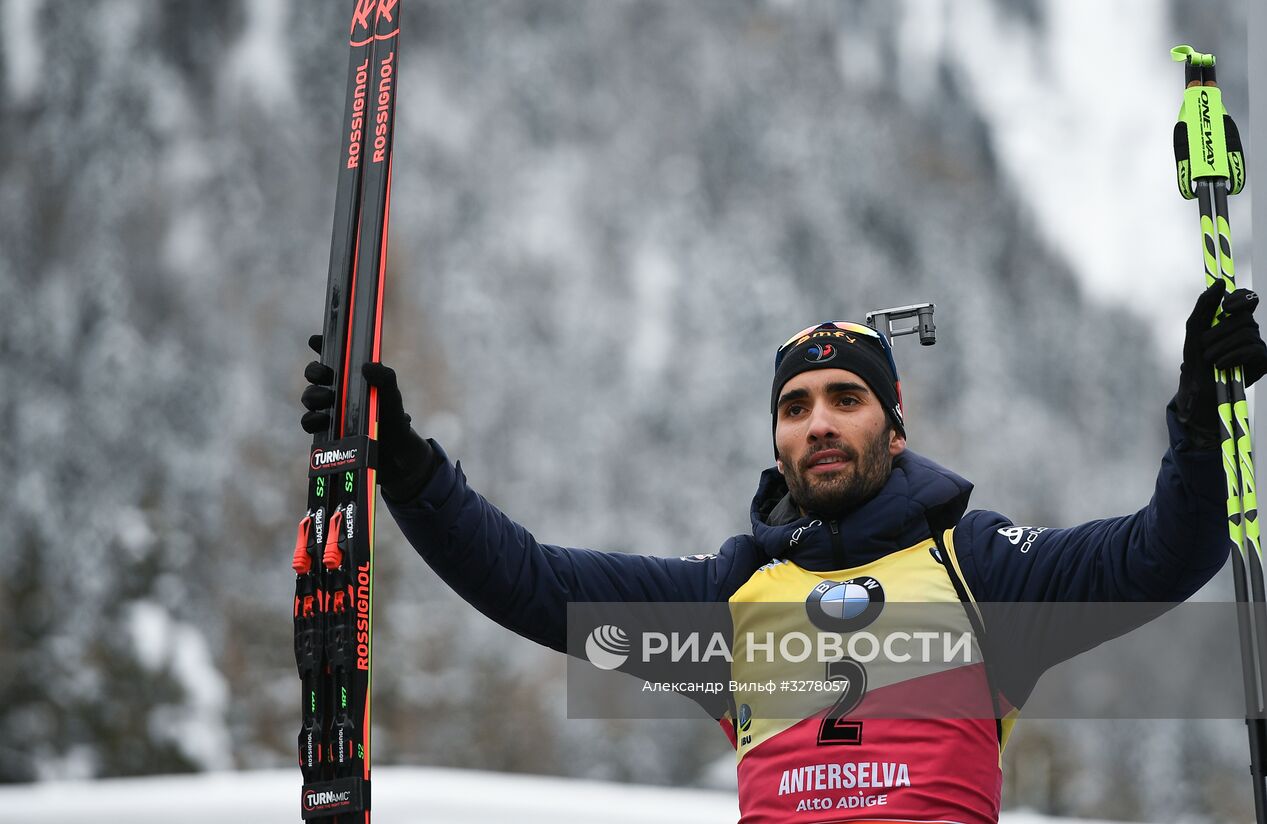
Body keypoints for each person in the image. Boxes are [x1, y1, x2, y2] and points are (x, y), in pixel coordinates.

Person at [300, 281, 1267, 824]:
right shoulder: (731, 602)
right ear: (775, 439)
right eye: (795, 408)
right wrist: (408, 469)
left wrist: (1197, 418)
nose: (818, 424)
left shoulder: (984, 568)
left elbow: (1162, 557)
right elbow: (531, 584)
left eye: (846, 399)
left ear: (895, 422)